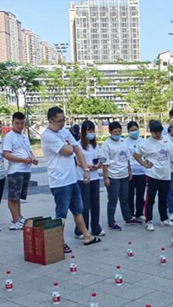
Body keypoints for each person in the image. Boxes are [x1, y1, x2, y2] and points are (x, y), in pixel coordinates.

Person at [41, 107, 101, 251]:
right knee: (61, 213)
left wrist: (86, 170)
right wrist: (70, 147)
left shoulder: (65, 132)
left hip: (72, 178)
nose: (62, 123)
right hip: (59, 181)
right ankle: (58, 242)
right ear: (50, 120)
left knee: (78, 210)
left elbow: (77, 150)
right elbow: (68, 150)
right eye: (59, 121)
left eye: (64, 120)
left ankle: (87, 236)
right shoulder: (47, 135)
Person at [134, 120, 173, 231]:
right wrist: (144, 164)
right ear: (151, 131)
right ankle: (149, 221)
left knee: (163, 198)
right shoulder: (146, 143)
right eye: (155, 132)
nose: (157, 134)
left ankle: (164, 219)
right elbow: (136, 154)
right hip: (152, 175)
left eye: (159, 132)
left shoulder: (167, 140)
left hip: (166, 174)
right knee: (151, 199)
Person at [100, 121, 140, 231]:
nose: (117, 134)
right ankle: (111, 222)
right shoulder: (106, 145)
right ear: (110, 132)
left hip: (124, 175)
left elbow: (127, 158)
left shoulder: (123, 141)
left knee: (124, 198)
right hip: (113, 176)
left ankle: (128, 218)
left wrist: (129, 171)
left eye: (119, 131)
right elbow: (104, 163)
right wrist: (106, 178)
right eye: (115, 132)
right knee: (113, 200)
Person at [3, 112, 38, 230]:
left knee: (18, 197)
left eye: (22, 123)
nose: (19, 125)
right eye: (17, 123)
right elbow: (7, 154)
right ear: (12, 122)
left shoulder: (23, 136)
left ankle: (19, 217)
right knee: (13, 197)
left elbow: (30, 150)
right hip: (15, 170)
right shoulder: (9, 136)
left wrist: (32, 158)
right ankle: (15, 220)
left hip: (26, 169)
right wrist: (22, 160)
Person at [75, 121, 103, 238]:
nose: (91, 133)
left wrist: (97, 166)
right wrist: (86, 166)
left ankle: (96, 228)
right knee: (84, 205)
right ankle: (81, 230)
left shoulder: (95, 146)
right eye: (88, 131)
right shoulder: (78, 145)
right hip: (83, 178)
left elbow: (100, 159)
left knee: (95, 204)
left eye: (92, 131)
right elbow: (77, 161)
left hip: (95, 177)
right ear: (83, 132)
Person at [126, 121, 146, 221]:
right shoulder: (125, 142)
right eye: (132, 130)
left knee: (140, 194)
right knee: (130, 194)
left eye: (135, 130)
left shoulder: (143, 141)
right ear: (128, 131)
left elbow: (147, 155)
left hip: (142, 171)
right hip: (130, 173)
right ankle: (130, 213)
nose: (134, 132)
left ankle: (139, 212)